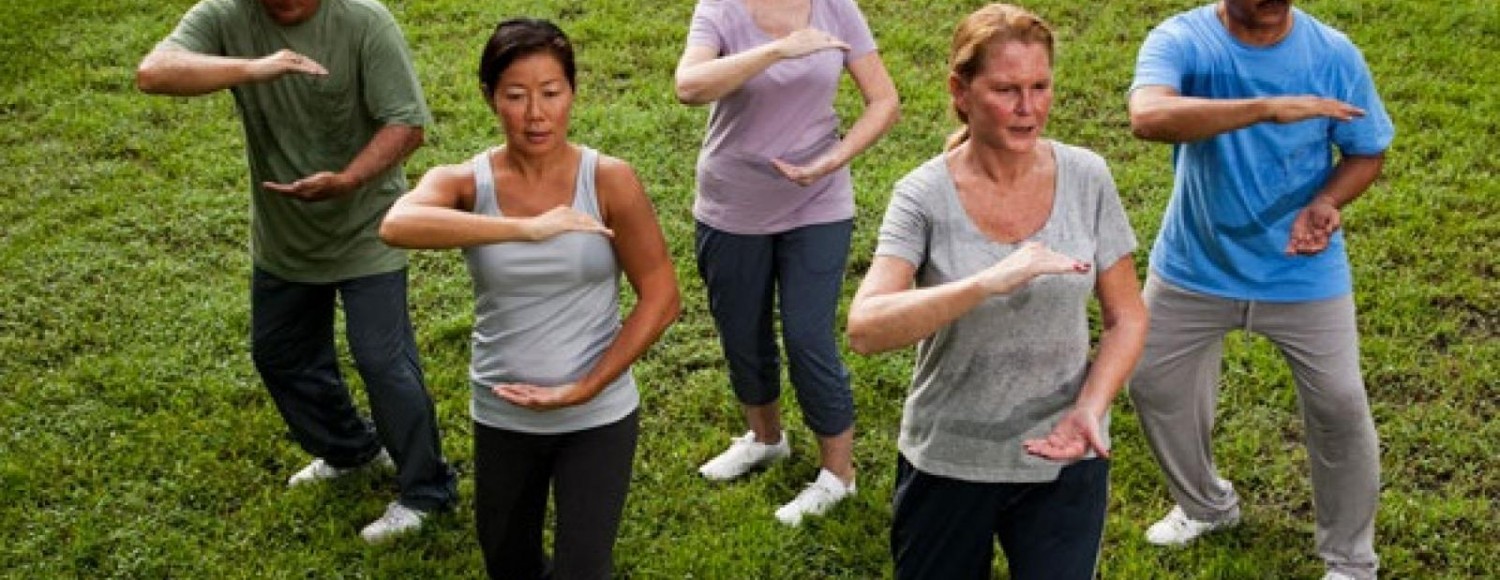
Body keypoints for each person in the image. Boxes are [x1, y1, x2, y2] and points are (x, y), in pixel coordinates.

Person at [135, 0, 457, 542]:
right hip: (284, 232)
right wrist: (257, 66)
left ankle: (428, 490)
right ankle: (351, 451)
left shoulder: (363, 20)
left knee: (383, 360)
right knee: (281, 354)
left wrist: (347, 180)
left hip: (367, 225)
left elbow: (407, 125)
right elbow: (153, 72)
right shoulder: (226, 16)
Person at [845, 4, 1147, 578]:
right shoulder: (923, 195)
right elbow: (865, 328)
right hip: (951, 459)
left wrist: (1091, 408)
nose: (1028, 108)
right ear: (960, 91)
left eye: (1040, 86)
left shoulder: (1087, 177)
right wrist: (987, 282)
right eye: (1007, 89)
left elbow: (1126, 317)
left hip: (1065, 457)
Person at [379, 18, 680, 579]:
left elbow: (662, 296)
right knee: (509, 566)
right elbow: (397, 224)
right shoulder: (467, 183)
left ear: (572, 93)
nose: (536, 113)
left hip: (597, 413)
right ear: (489, 97)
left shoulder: (610, 180)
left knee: (582, 570)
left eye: (551, 93)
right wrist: (525, 229)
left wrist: (586, 387)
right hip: (502, 413)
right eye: (516, 96)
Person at [1126, 1, 1394, 578]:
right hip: (1195, 263)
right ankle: (1206, 505)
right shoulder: (1184, 40)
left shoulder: (1333, 54)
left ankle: (1351, 562)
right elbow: (1148, 117)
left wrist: (1326, 201)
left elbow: (1366, 150)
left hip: (1302, 271)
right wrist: (1267, 109)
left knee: (1340, 407)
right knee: (1153, 383)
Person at [673, 0, 899, 526]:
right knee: (741, 331)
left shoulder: (837, 9)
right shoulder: (721, 11)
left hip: (818, 202)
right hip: (732, 205)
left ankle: (838, 475)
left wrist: (833, 160)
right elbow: (689, 86)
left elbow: (884, 100)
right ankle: (766, 437)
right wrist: (775, 50)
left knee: (807, 337)